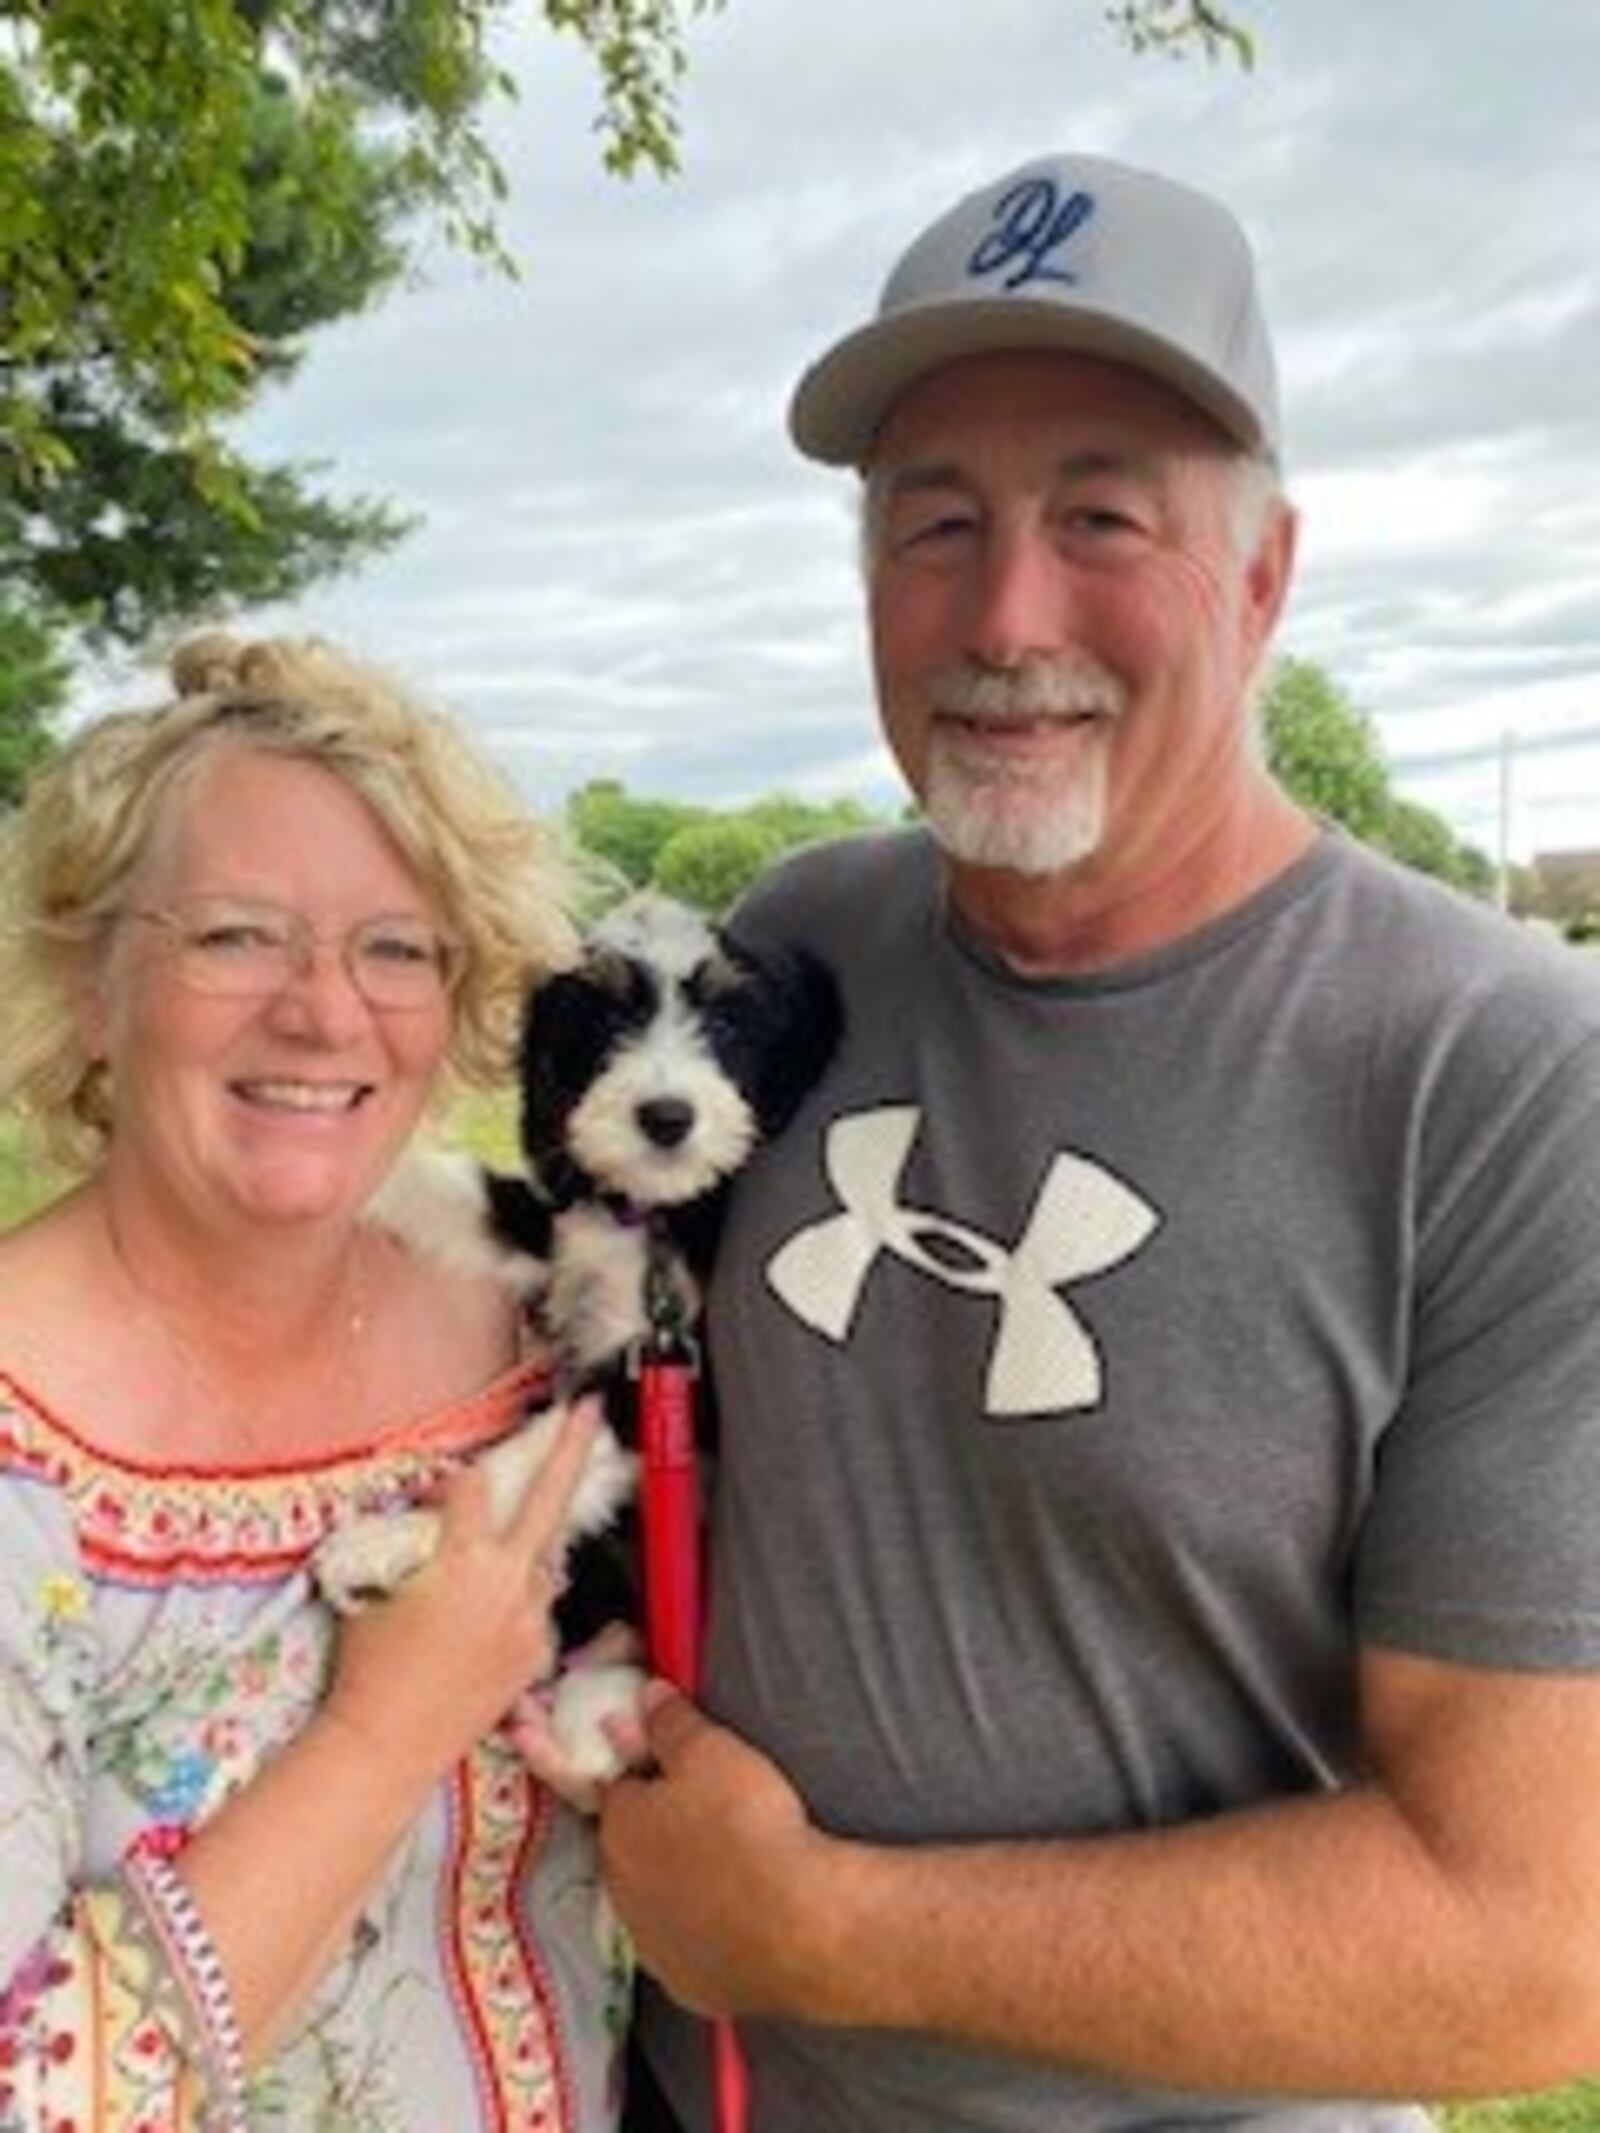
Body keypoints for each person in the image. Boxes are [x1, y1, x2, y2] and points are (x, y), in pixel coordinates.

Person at [596, 154, 1600, 2130]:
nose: (1002, 613)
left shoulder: (1495, 1080)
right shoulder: (796, 950)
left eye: (1097, 515)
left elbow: (1527, 1945)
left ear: (1262, 572)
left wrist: (815, 1931)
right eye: (933, 522)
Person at [0, 632, 625, 2130]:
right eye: (235, 935)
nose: (324, 1012)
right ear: (95, 984)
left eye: (396, 946)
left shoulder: (546, 1320)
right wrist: (387, 1726)